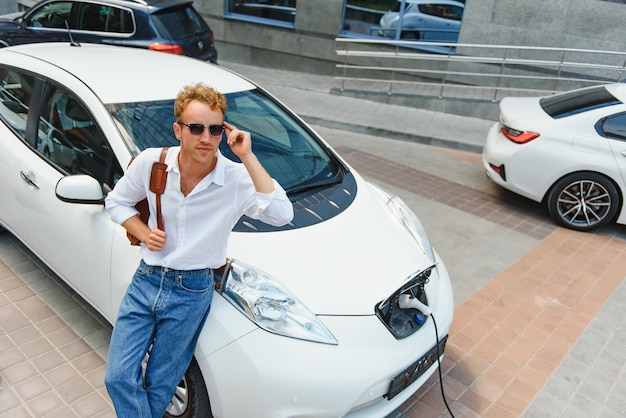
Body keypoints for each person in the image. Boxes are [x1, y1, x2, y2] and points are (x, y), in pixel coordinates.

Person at [103, 82, 294, 417]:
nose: (206, 138)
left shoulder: (235, 178)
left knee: (161, 383)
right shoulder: (153, 163)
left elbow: (281, 214)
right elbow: (116, 202)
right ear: (178, 129)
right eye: (196, 128)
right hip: (146, 280)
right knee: (118, 376)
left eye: (215, 129)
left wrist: (247, 155)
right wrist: (144, 233)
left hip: (192, 291)